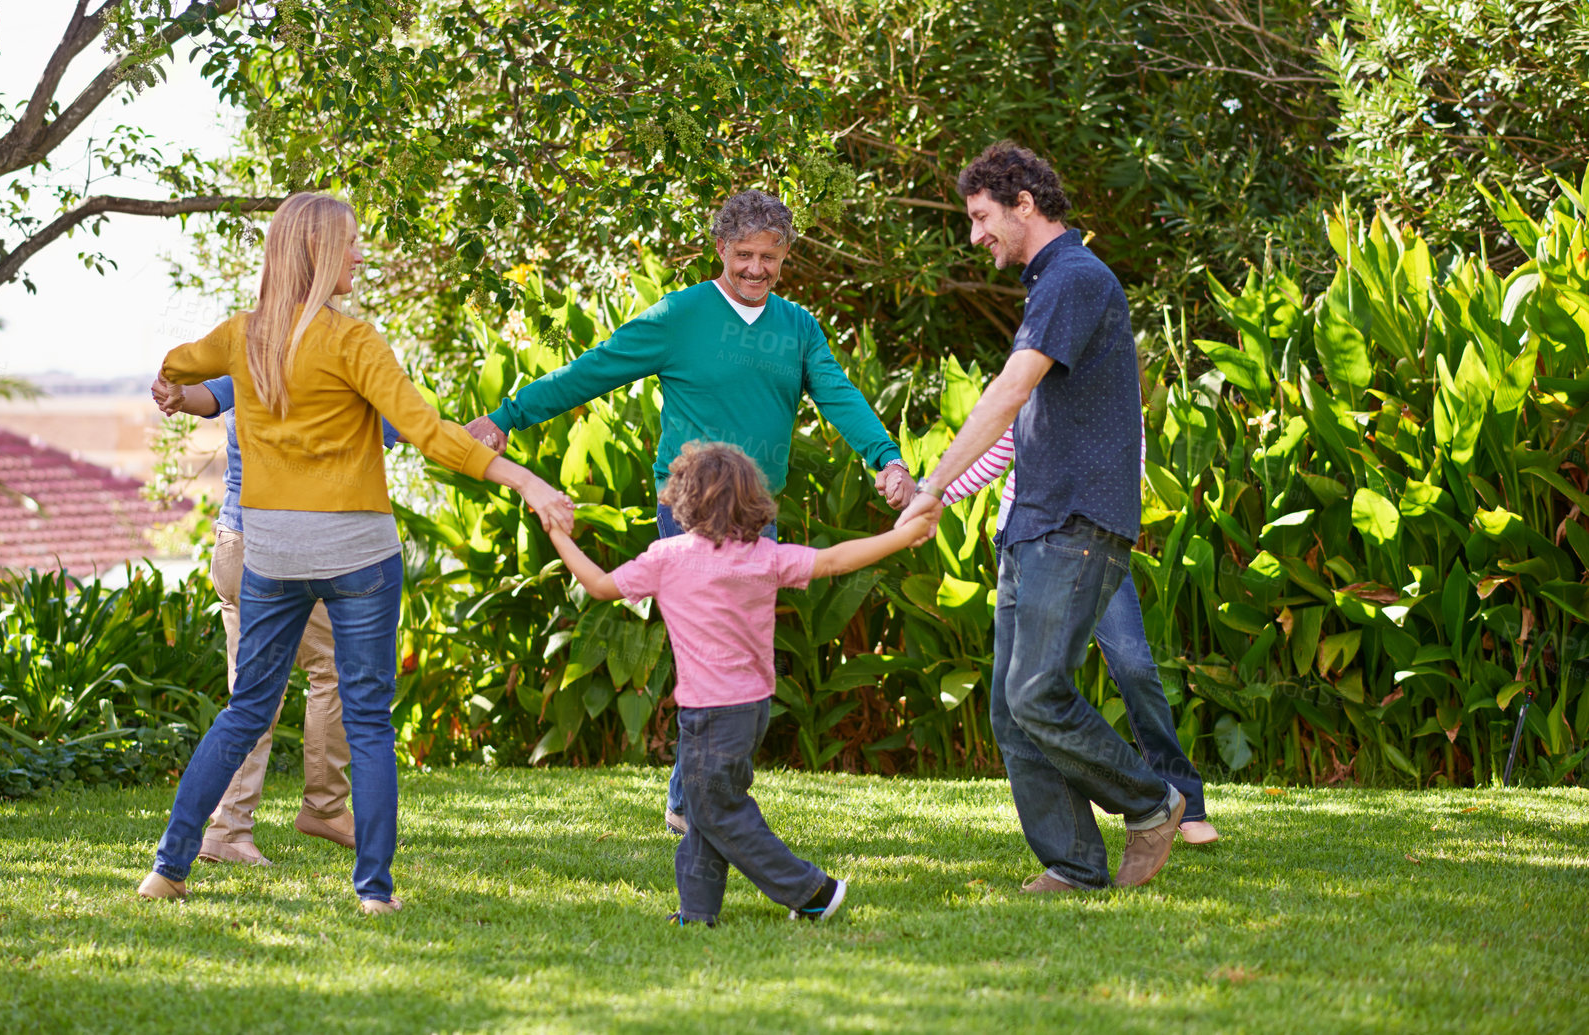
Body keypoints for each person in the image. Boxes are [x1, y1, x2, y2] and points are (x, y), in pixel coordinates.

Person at [136, 191, 573, 913]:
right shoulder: (353, 341)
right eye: (350, 245)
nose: (360, 257)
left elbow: (178, 363)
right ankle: (373, 890)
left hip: (271, 555)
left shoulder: (242, 336)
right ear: (316, 255)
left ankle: (166, 869)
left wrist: (169, 384)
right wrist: (523, 478)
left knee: (246, 708)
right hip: (357, 558)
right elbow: (428, 431)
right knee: (367, 718)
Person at [467, 190, 916, 834]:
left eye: (770, 256)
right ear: (719, 250)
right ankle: (694, 801)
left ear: (786, 256)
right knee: (708, 654)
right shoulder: (680, 316)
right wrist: (507, 417)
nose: (757, 268)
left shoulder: (798, 327)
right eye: (744, 255)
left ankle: (697, 794)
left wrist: (887, 459)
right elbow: (594, 370)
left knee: (748, 659)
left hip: (757, 516)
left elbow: (839, 396)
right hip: (692, 515)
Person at [898, 142, 1183, 893]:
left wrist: (934, 484)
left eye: (980, 216)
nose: (974, 235)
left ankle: (1151, 801)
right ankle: (1075, 863)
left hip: (1078, 517)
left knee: (1035, 692)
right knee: (1010, 709)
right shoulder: (1052, 283)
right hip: (1034, 519)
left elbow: (1008, 391)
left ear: (1023, 202)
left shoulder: (1076, 278)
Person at [548, 441, 932, 925]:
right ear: (752, 499)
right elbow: (835, 560)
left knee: (715, 811)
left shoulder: (666, 557)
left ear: (683, 499)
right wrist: (906, 535)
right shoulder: (763, 556)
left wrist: (561, 537)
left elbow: (601, 586)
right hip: (750, 710)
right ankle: (697, 911)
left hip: (711, 712)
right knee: (706, 813)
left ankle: (813, 892)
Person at [148, 374, 403, 864]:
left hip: (234, 539)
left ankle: (229, 828)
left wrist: (178, 396)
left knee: (251, 690)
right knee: (330, 670)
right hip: (286, 547)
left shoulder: (247, 355)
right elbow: (394, 428)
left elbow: (205, 398)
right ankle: (324, 807)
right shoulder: (327, 367)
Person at [939, 425, 1218, 844]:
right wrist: (931, 497)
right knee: (1029, 690)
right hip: (1026, 545)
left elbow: (1129, 471)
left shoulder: (1114, 387)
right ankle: (1078, 835)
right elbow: (996, 454)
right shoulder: (1032, 372)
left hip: (1093, 542)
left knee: (1134, 665)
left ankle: (1184, 803)